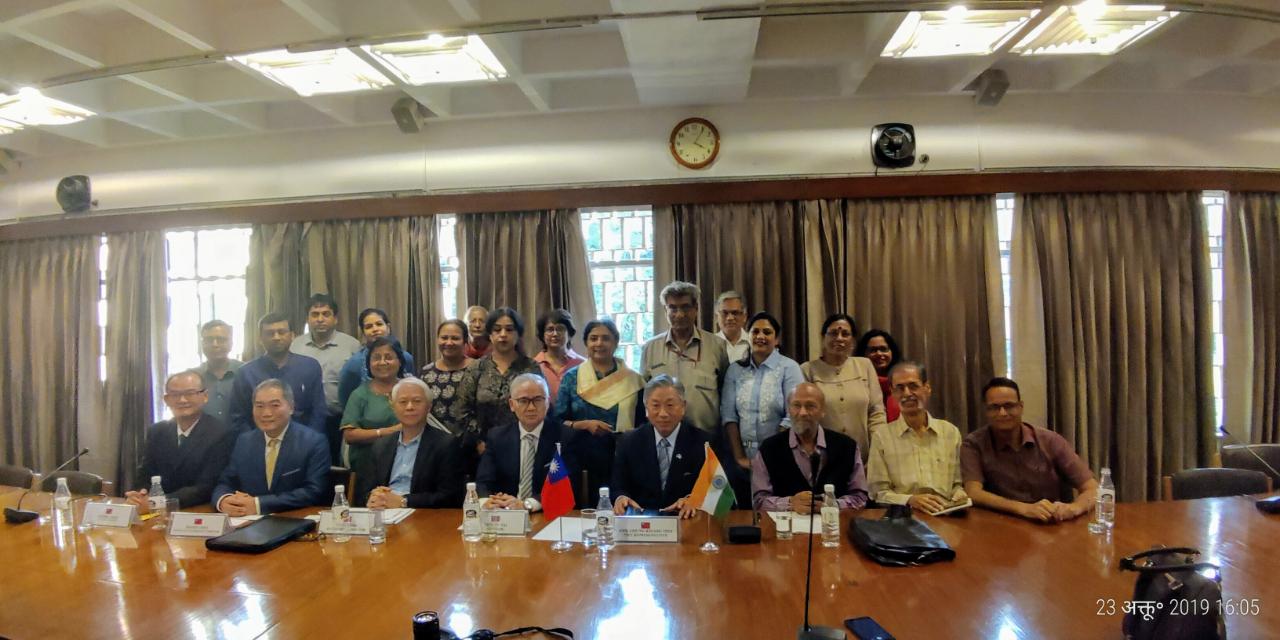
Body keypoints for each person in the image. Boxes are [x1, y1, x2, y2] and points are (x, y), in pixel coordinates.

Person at [961, 377, 1098, 523]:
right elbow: (973, 492)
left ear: (1021, 407)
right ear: (986, 411)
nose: (1002, 413)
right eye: (994, 407)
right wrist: (1023, 508)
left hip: (1051, 524)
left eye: (1009, 406)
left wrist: (1074, 508)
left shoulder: (1050, 441)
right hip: (1000, 524)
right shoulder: (973, 444)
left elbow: (1092, 488)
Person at [554, 318, 645, 504]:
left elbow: (643, 422)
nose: (599, 343)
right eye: (593, 338)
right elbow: (556, 422)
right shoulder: (572, 378)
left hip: (624, 455)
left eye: (606, 338)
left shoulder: (633, 380)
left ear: (616, 342)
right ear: (586, 343)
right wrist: (583, 425)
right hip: (582, 458)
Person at [213, 379, 329, 515]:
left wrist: (258, 504)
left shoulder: (313, 442)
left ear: (291, 407)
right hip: (247, 521)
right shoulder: (244, 441)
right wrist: (223, 500)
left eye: (275, 405)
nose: (266, 413)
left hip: (293, 518)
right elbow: (226, 481)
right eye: (259, 406)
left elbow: (313, 491)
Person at [125, 370, 236, 512]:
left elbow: (206, 486)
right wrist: (138, 495)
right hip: (156, 512)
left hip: (198, 511)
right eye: (175, 395)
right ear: (166, 399)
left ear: (205, 396)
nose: (182, 400)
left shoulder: (220, 433)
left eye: (190, 393)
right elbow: (145, 474)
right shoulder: (157, 431)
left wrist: (160, 502)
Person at [751, 383, 869, 513]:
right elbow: (759, 501)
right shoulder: (769, 449)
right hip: (785, 524)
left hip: (833, 523)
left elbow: (860, 498)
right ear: (788, 409)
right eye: (796, 405)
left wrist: (832, 506)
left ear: (823, 411)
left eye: (810, 406)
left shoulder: (847, 447)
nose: (803, 413)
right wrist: (789, 503)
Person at [866, 362, 965, 512]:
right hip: (904, 516)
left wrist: (959, 494)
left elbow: (958, 484)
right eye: (900, 388)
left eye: (913, 386)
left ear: (927, 388)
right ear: (892, 392)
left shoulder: (950, 432)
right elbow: (877, 493)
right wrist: (910, 500)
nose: (907, 394)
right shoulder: (882, 437)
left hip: (945, 514)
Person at [610, 375, 707, 519]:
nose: (663, 414)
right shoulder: (629, 442)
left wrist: (693, 500)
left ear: (683, 407)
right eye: (655, 405)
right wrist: (620, 498)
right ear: (646, 408)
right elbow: (617, 486)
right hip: (642, 522)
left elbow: (713, 489)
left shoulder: (703, 443)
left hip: (685, 520)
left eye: (670, 405)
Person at [640, 281, 729, 435]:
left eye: (685, 307)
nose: (679, 314)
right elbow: (644, 395)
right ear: (665, 310)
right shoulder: (650, 348)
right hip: (663, 437)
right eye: (673, 308)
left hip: (706, 436)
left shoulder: (717, 346)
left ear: (696, 309)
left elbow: (725, 393)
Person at [360, 377, 464, 509]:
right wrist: (373, 497)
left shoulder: (446, 444)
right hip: (383, 511)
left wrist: (404, 501)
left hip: (422, 514)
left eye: (417, 401)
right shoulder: (381, 445)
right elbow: (365, 492)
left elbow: (451, 497)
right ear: (393, 407)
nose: (409, 407)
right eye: (403, 402)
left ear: (429, 407)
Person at [722, 311, 805, 470]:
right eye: (755, 332)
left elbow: (792, 416)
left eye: (767, 332)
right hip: (742, 461)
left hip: (780, 457)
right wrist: (740, 458)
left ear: (777, 339)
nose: (760, 336)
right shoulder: (735, 370)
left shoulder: (789, 368)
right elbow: (729, 416)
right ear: (748, 336)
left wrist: (771, 455)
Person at [799, 313, 886, 461]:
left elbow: (876, 413)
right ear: (823, 337)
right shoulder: (807, 370)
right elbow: (806, 416)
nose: (839, 338)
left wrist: (878, 451)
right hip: (823, 457)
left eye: (845, 334)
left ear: (853, 340)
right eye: (833, 333)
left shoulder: (864, 365)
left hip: (863, 456)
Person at [477, 374, 569, 512]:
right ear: (512, 405)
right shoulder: (497, 437)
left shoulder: (565, 437)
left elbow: (565, 487)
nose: (531, 407)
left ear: (548, 402)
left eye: (538, 400)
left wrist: (526, 505)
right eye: (523, 401)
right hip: (505, 514)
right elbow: (483, 482)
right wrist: (487, 502)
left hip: (546, 514)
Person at [450, 307, 542, 439]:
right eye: (497, 330)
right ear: (490, 334)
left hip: (523, 441)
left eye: (509, 329)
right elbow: (461, 411)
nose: (503, 334)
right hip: (482, 445)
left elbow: (541, 406)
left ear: (518, 334)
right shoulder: (477, 368)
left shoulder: (531, 368)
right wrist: (479, 442)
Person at [227, 313, 327, 434]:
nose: (276, 337)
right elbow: (239, 417)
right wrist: (254, 441)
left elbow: (318, 412)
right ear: (260, 339)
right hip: (259, 440)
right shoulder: (245, 373)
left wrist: (309, 440)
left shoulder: (310, 367)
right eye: (270, 333)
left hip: (303, 440)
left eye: (281, 332)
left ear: (292, 335)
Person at [290, 293, 361, 463]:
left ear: (335, 319)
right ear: (307, 319)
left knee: (339, 466)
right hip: (305, 421)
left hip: (340, 420)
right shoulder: (296, 345)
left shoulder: (351, 345)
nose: (320, 319)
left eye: (326, 314)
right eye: (315, 314)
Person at [340, 337, 408, 476]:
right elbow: (349, 435)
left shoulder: (411, 389)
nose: (382, 362)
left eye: (388, 357)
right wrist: (389, 432)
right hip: (368, 466)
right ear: (369, 363)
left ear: (400, 361)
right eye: (376, 358)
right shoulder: (360, 394)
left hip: (407, 463)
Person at [337, 308, 416, 410]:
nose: (375, 329)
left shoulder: (406, 358)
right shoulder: (354, 364)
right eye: (369, 327)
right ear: (363, 333)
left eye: (379, 324)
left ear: (388, 327)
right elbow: (345, 400)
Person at [419, 319, 476, 434]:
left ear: (465, 341)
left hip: (471, 439)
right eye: (444, 338)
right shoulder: (426, 373)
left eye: (455, 338)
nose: (449, 343)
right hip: (435, 438)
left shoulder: (478, 369)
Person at [195, 319, 243, 422]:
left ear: (231, 343)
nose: (215, 344)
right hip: (205, 432)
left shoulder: (246, 373)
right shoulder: (193, 377)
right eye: (209, 340)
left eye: (221, 339)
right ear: (202, 344)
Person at [533, 308, 585, 401]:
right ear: (542, 335)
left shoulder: (582, 364)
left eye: (560, 329)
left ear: (569, 334)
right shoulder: (533, 366)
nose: (555, 334)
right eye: (550, 330)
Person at [855, 329, 903, 423]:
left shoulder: (903, 382)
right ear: (863, 354)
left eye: (883, 349)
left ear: (892, 352)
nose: (879, 354)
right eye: (873, 350)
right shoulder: (857, 384)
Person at [714, 291, 749, 362]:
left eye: (735, 313)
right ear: (716, 317)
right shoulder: (708, 345)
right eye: (724, 313)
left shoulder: (753, 343)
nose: (730, 318)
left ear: (744, 317)